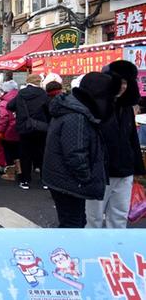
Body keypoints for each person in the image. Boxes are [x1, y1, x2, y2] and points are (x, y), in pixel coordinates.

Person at [43, 72, 117, 228]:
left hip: (61, 178)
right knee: (73, 225)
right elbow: (75, 154)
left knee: (74, 222)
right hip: (68, 181)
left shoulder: (72, 107)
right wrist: (86, 178)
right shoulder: (77, 115)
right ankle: (63, 252)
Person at [86, 61, 146, 228]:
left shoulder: (126, 108)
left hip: (124, 171)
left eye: (126, 82)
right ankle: (90, 251)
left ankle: (115, 250)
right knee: (93, 218)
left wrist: (137, 169)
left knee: (119, 216)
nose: (122, 86)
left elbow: (132, 138)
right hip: (99, 173)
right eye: (119, 82)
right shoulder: (95, 107)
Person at [8, 74, 50, 190]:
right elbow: (49, 109)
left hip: (25, 127)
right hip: (41, 127)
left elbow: (10, 105)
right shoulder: (43, 94)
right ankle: (44, 180)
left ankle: (25, 180)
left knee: (25, 155)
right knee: (41, 153)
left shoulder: (21, 93)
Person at [0, 81, 21, 181]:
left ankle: (11, 174)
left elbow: (3, 117)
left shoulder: (4, 102)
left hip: (8, 131)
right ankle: (20, 171)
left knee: (9, 152)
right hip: (21, 128)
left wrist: (0, 131)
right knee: (18, 152)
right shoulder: (21, 97)